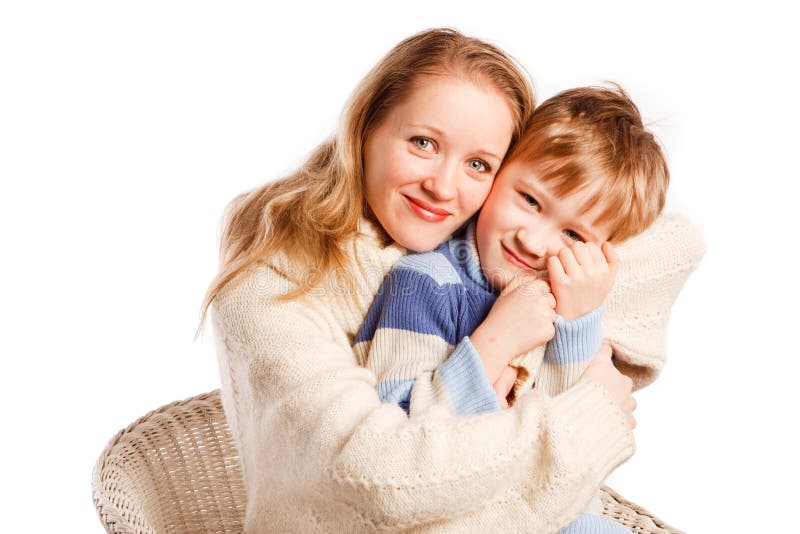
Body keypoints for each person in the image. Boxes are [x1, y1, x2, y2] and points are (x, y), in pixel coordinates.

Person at [199, 28, 695, 532]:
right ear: (365, 128)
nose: (442, 187)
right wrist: (589, 409)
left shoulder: (489, 240)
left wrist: (581, 318)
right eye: (422, 142)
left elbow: (678, 242)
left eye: (479, 164)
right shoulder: (276, 287)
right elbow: (379, 479)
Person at [353, 85, 686, 533]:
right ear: (499, 172)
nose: (533, 240)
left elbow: (570, 457)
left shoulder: (564, 299)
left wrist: (578, 325)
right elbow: (395, 441)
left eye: (574, 236)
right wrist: (497, 340)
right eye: (529, 201)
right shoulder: (426, 283)